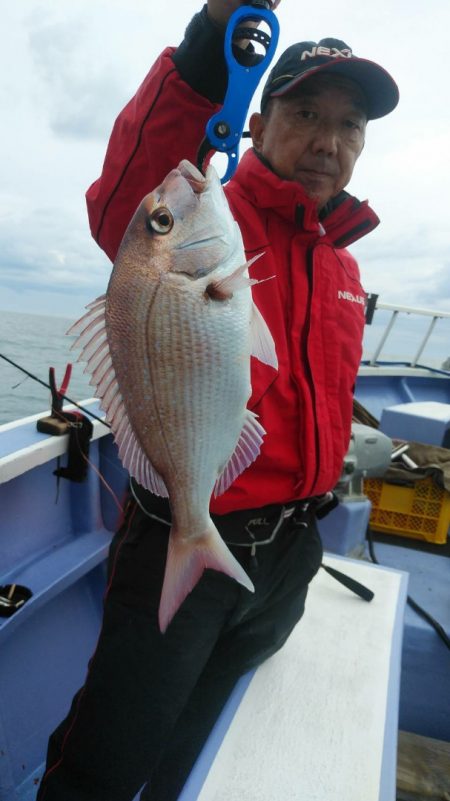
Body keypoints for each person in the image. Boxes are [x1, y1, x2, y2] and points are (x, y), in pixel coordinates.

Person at [37, 2, 399, 800]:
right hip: (186, 528)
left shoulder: (341, 264)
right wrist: (211, 46)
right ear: (260, 122)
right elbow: (140, 192)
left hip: (292, 551)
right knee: (111, 748)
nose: (328, 141)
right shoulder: (215, 215)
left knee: (202, 730)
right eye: (306, 113)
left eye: (349, 124)